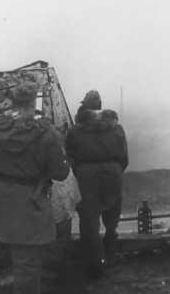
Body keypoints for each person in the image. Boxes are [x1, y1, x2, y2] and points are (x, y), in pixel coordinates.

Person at [0, 80, 70, 294]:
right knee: (26, 263)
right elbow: (61, 172)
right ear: (34, 101)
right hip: (29, 202)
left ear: (11, 100)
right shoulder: (47, 133)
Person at [66, 107, 128, 279]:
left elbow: (69, 156)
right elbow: (124, 158)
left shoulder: (74, 132)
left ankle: (95, 265)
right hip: (113, 172)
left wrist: (80, 172)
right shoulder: (117, 129)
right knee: (112, 216)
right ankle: (111, 254)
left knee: (89, 222)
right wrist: (114, 170)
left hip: (86, 175)